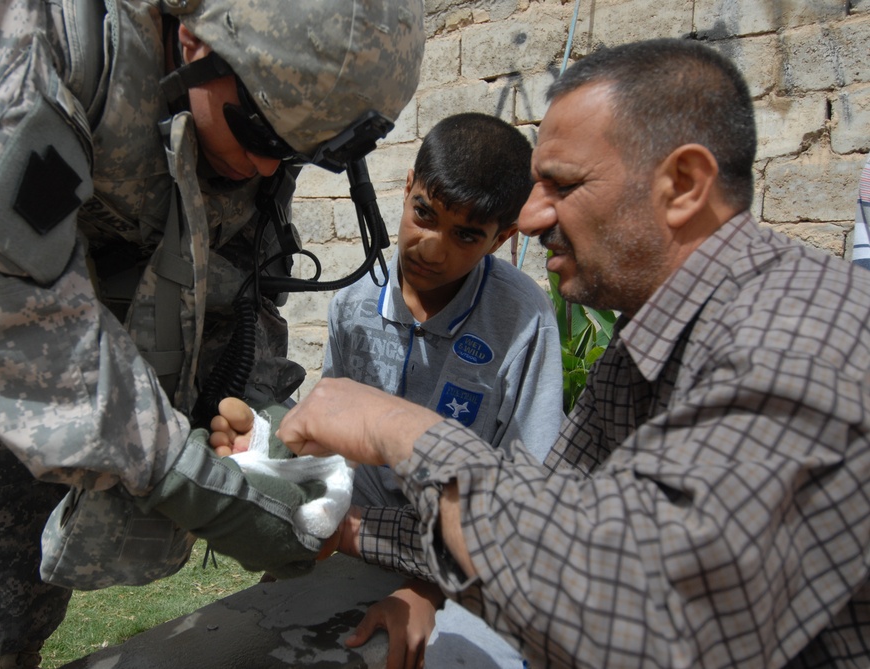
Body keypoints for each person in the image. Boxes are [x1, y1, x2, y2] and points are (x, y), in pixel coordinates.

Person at [275, 37, 870, 667]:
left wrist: (398, 428)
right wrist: (348, 527)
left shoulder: (799, 340)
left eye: (560, 185)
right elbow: (541, 520)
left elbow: (635, 614)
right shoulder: (650, 344)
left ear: (684, 184)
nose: (529, 220)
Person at [0, 1, 423, 667]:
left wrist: (260, 411)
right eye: (263, 138)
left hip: (71, 270)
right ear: (191, 43)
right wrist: (178, 472)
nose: (273, 169)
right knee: (6, 515)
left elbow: (240, 268)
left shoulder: (255, 91)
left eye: (300, 152)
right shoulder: (33, 40)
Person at [323, 111, 561, 668]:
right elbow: (330, 447)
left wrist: (427, 591)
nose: (431, 248)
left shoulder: (523, 322)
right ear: (407, 187)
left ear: (502, 238)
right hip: (356, 545)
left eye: (466, 235)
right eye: (424, 214)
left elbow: (526, 497)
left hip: (470, 571)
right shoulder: (352, 305)